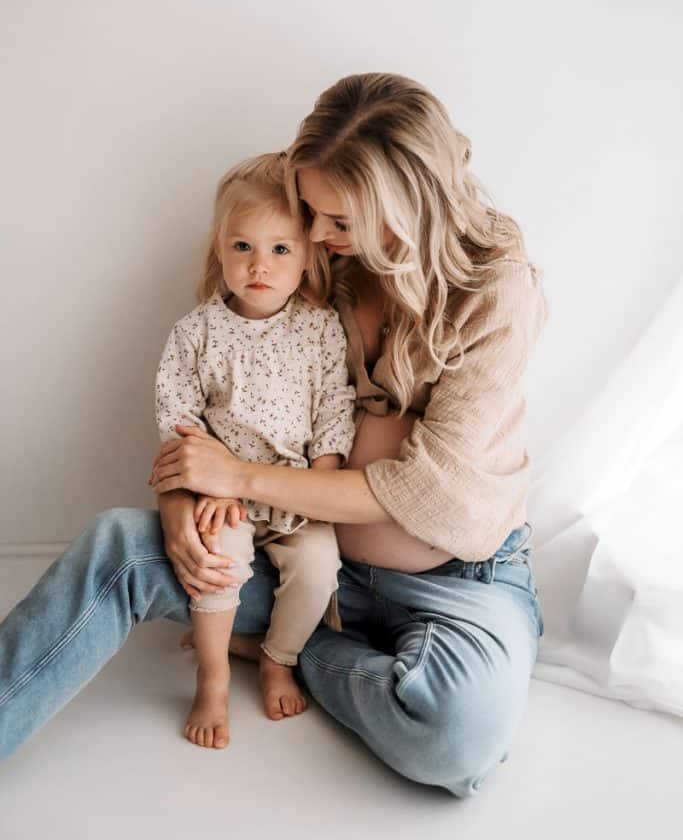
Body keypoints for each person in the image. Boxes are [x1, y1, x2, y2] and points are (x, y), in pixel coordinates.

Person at [0, 73, 547, 798]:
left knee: (454, 737)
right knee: (115, 548)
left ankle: (290, 650)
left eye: (339, 222)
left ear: (403, 208)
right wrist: (180, 514)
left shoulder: (497, 292)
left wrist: (242, 478)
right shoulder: (325, 264)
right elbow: (210, 407)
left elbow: (425, 489)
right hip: (289, 557)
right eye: (313, 215)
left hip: (457, 583)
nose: (316, 237)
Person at [154, 152, 356, 747]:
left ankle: (278, 657)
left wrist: (322, 484)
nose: (259, 265)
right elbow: (179, 417)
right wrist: (205, 488)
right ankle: (213, 676)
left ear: (308, 257)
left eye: (280, 250)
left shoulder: (319, 327)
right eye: (243, 247)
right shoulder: (197, 331)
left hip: (295, 488)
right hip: (225, 496)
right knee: (216, 562)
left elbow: (333, 412)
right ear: (220, 249)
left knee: (319, 568)